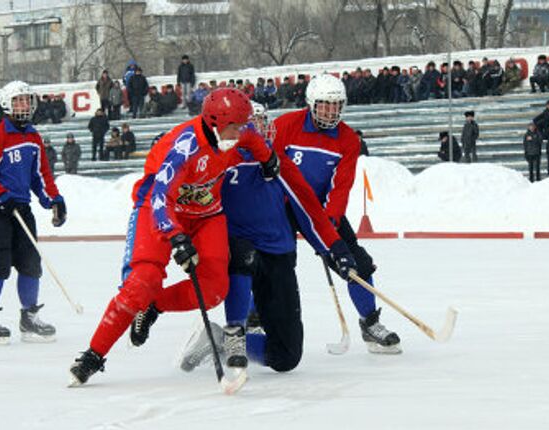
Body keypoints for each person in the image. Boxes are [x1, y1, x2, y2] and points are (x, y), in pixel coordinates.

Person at [68, 88, 281, 386]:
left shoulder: (235, 132)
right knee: (140, 283)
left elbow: (253, 139)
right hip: (160, 210)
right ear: (214, 122)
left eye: (242, 124)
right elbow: (159, 196)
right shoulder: (185, 147)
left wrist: (268, 159)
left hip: (207, 214)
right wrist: (176, 237)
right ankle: (93, 354)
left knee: (214, 289)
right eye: (235, 125)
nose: (241, 131)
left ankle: (155, 305)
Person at [177, 102, 356, 373]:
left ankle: (220, 340)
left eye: (262, 121)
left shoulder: (277, 160)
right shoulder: (219, 161)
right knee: (242, 258)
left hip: (277, 254)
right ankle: (234, 330)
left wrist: (336, 249)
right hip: (238, 253)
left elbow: (308, 208)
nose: (260, 128)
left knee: (286, 357)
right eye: (252, 123)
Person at [271, 74, 402, 353]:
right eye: (324, 105)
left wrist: (327, 227)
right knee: (272, 265)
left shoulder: (348, 139)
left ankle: (369, 322)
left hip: (319, 211)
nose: (331, 112)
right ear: (311, 103)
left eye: (336, 105)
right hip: (281, 207)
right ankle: (255, 318)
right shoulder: (284, 126)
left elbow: (341, 187)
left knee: (357, 262)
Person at [0, 81, 67, 344]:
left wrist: (54, 200)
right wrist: (0, 197)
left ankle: (29, 317)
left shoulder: (33, 138)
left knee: (30, 263)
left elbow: (41, 175)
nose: (24, 105)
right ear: (6, 105)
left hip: (22, 209)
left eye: (26, 100)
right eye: (18, 101)